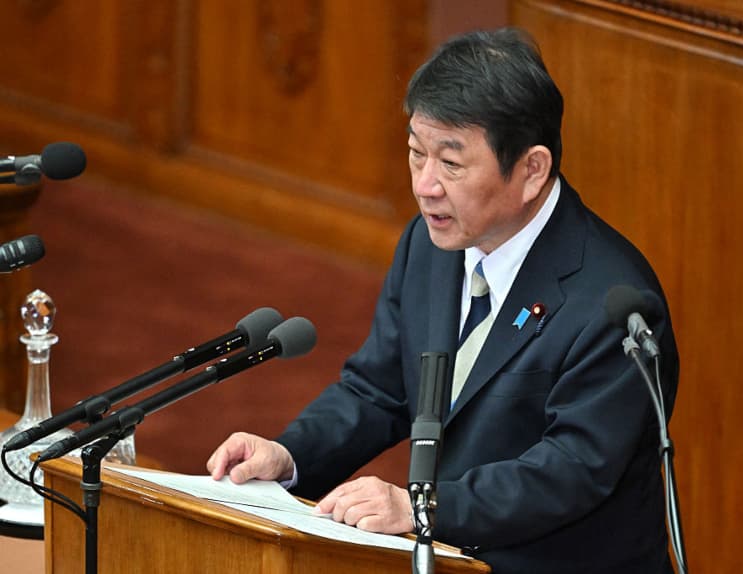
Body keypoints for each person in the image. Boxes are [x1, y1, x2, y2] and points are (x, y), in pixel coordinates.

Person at [207, 27, 679, 574]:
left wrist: (423, 508)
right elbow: (379, 390)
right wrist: (290, 458)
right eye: (415, 154)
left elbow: (571, 470)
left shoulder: (612, 303)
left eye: (451, 164)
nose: (425, 185)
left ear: (532, 171)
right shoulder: (430, 245)